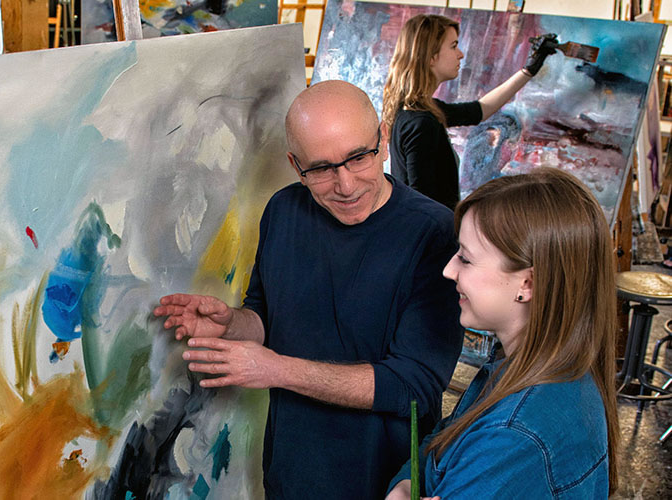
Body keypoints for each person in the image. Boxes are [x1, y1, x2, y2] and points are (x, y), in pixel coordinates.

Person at [154, 80, 464, 499]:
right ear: (295, 164)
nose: (346, 185)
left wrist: (276, 369)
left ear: (384, 140)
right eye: (320, 169)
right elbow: (264, 316)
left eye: (359, 158)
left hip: (384, 484)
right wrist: (231, 325)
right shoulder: (283, 210)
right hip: (289, 471)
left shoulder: (435, 234)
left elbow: (414, 387)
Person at [386, 168, 620, 498]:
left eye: (465, 259)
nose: (448, 269)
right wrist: (406, 484)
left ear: (528, 283)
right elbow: (440, 443)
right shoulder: (531, 368)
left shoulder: (514, 436)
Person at [381, 14, 556, 209]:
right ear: (431, 56)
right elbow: (421, 203)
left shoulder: (417, 109)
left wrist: (528, 70)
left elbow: (479, 110)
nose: (460, 54)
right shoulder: (421, 121)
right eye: (453, 45)